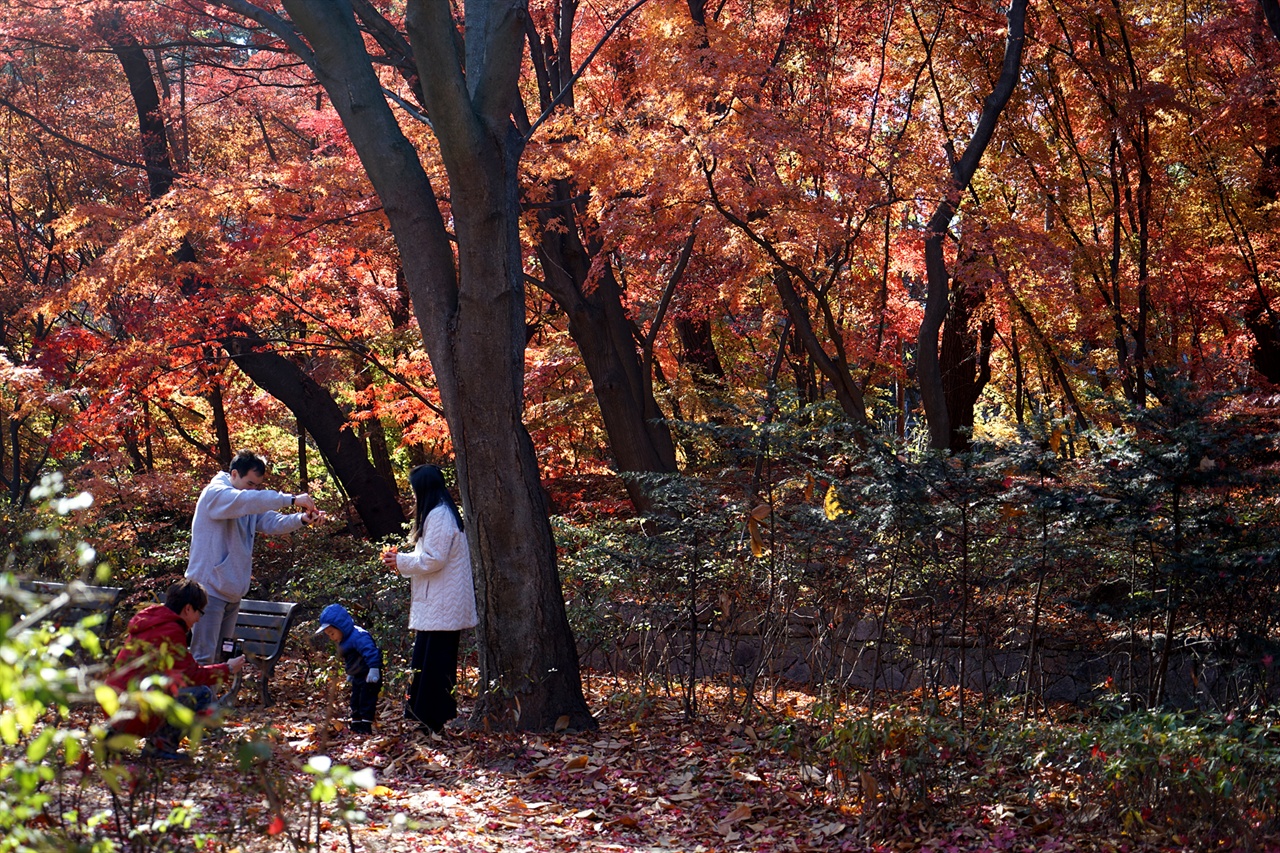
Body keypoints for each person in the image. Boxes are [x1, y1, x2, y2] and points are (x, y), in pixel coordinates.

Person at [185, 450, 321, 664]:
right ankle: (198, 698)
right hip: (208, 591)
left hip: (232, 592)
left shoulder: (245, 500)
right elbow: (246, 501)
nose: (254, 490)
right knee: (203, 658)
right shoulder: (216, 494)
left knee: (222, 658)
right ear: (234, 474)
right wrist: (292, 499)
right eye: (250, 483)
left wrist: (302, 519)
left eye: (257, 486)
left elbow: (271, 522)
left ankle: (214, 698)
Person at [380, 464, 477, 733]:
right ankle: (423, 715)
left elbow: (434, 559)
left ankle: (431, 718)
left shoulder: (439, 515)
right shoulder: (441, 513)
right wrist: (400, 561)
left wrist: (400, 560)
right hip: (439, 603)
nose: (412, 495)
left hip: (442, 603)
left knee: (433, 664)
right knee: (428, 661)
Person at [104, 578, 245, 759]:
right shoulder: (170, 630)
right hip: (136, 712)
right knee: (201, 693)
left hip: (113, 703)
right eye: (199, 613)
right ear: (188, 608)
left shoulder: (150, 622)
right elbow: (191, 676)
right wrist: (227, 669)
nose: (197, 620)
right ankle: (161, 747)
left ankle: (114, 735)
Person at [312, 603, 384, 734]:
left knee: (366, 700)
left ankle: (365, 725)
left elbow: (371, 651)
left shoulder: (359, 636)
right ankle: (356, 723)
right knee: (355, 700)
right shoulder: (345, 640)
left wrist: (374, 668)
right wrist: (350, 673)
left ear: (341, 627)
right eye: (328, 634)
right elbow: (351, 659)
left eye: (332, 633)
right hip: (358, 676)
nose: (331, 637)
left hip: (368, 675)